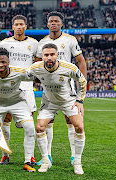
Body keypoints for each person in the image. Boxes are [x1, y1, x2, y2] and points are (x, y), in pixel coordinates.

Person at [36, 11, 87, 166]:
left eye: (56, 21)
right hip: (50, 88)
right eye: (51, 21)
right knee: (47, 122)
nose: (53, 23)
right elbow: (37, 64)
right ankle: (47, 156)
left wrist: (81, 85)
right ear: (47, 24)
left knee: (71, 121)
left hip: (68, 87)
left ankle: (74, 156)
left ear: (61, 24)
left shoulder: (70, 40)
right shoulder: (42, 43)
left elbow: (81, 61)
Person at [27, 43, 86, 175]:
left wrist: (79, 100)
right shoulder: (35, 68)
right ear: (42, 56)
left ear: (57, 55)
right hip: (49, 102)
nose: (49, 57)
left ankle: (77, 162)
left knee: (79, 127)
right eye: (46, 55)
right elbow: (24, 77)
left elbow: (82, 81)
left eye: (52, 54)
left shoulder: (68, 67)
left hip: (69, 101)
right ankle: (45, 160)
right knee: (39, 127)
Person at [0, 48, 36, 172]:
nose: (0, 65)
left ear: (8, 61)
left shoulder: (20, 72)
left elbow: (36, 77)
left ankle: (28, 161)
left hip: (18, 101)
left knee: (30, 127)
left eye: (3, 62)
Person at [0, 14, 38, 165]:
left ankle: (30, 156)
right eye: (17, 24)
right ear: (13, 27)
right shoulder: (5, 43)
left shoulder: (34, 44)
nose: (19, 27)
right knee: (6, 120)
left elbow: (38, 63)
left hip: (27, 87)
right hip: (9, 87)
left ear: (26, 26)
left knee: (29, 123)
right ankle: (5, 154)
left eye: (22, 24)